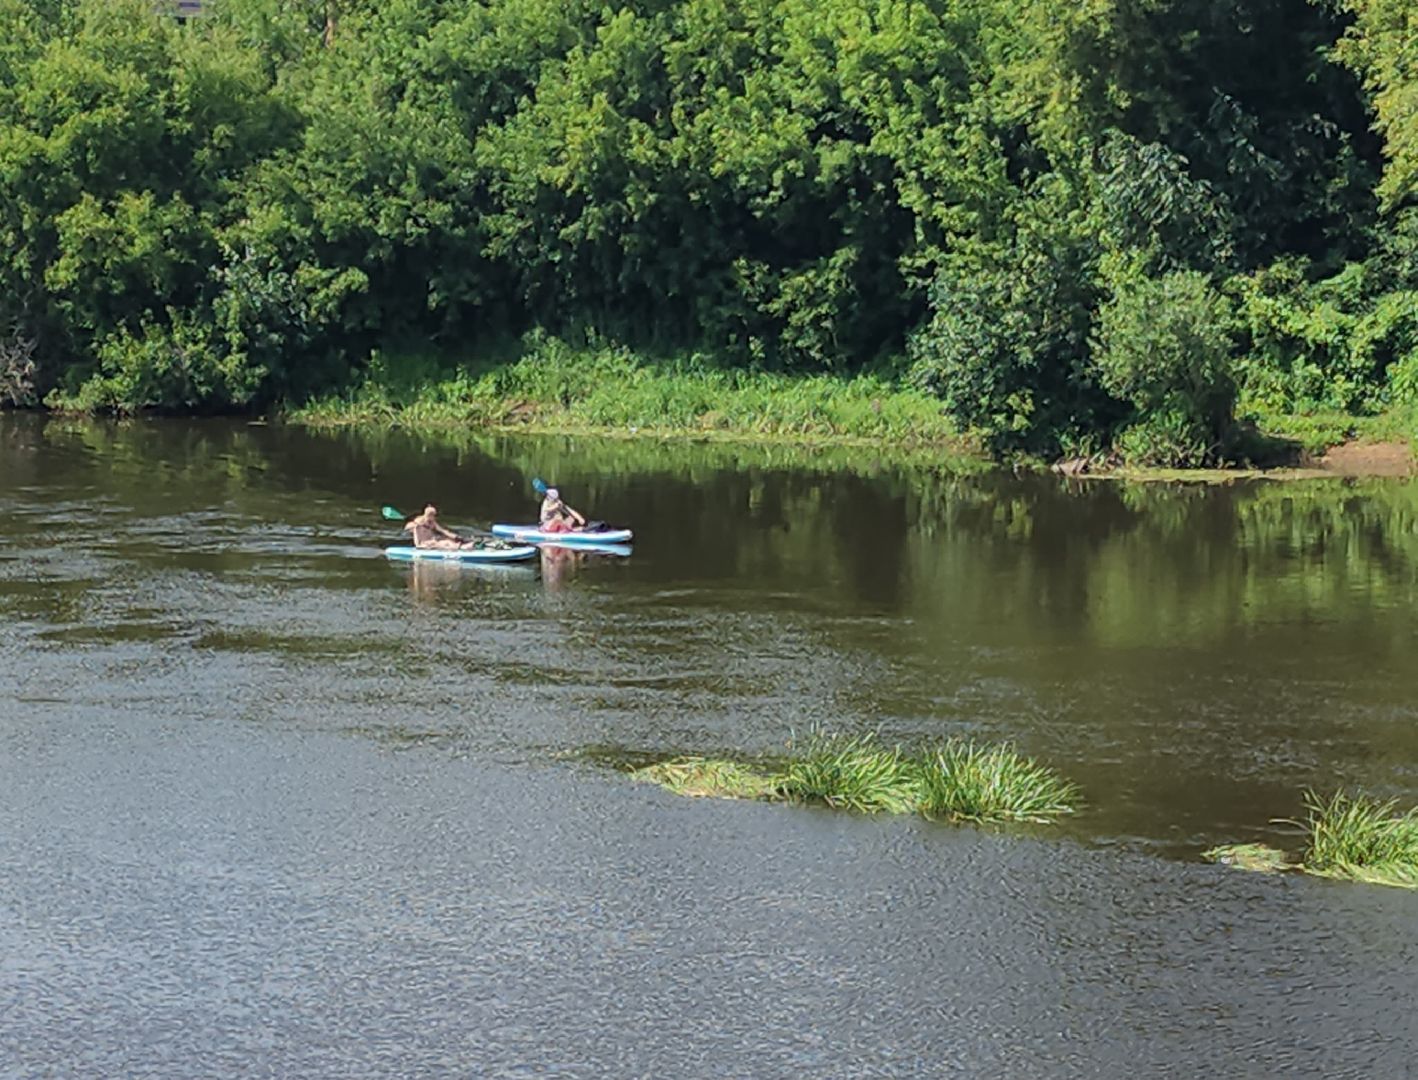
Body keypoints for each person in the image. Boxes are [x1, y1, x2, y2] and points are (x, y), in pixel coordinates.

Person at [404, 504, 477, 550]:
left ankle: (460, 546)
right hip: (424, 545)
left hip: (431, 542)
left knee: (447, 541)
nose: (435, 518)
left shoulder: (432, 523)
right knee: (446, 543)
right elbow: (408, 529)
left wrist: (457, 537)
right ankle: (461, 548)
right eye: (433, 516)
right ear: (429, 515)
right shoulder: (416, 524)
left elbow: (443, 531)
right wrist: (417, 525)